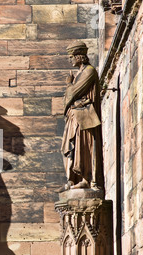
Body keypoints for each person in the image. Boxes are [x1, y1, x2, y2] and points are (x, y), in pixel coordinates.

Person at [59, 41, 104, 192]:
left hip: (84, 119)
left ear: (79, 57)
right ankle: (73, 180)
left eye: (71, 56)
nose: (69, 60)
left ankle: (86, 179)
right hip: (76, 117)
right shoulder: (80, 73)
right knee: (71, 148)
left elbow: (72, 94)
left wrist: (69, 84)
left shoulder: (89, 71)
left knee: (83, 148)